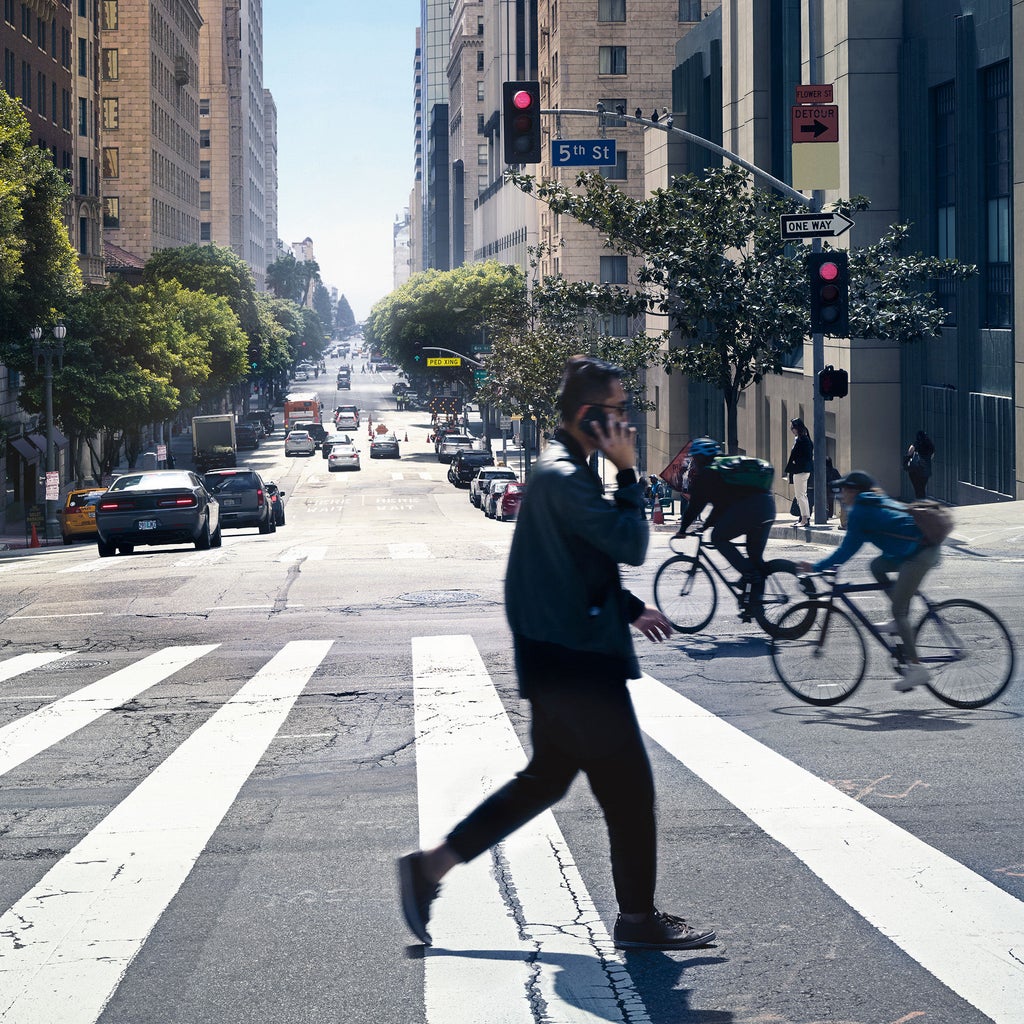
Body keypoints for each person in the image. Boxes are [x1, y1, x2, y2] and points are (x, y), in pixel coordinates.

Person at [398, 355, 716, 952]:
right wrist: (628, 476)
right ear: (591, 416)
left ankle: (430, 868)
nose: (628, 423)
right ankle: (638, 922)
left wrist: (627, 610)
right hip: (578, 667)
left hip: (562, 660)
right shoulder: (568, 477)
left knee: (544, 782)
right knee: (630, 795)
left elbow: (572, 568)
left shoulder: (562, 470)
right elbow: (630, 542)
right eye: (620, 412)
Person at [799, 470, 941, 691]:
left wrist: (816, 567)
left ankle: (916, 668)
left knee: (898, 610)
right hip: (910, 550)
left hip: (919, 554)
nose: (841, 494)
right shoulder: (874, 500)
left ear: (855, 491)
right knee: (876, 566)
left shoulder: (861, 512)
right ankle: (899, 619)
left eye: (845, 489)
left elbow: (847, 550)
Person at [672, 438, 776, 620]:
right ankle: (754, 605)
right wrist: (705, 525)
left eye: (695, 458)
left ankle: (749, 576)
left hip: (751, 510)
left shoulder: (708, 474)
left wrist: (682, 529)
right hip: (767, 506)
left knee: (717, 538)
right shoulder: (725, 469)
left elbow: (695, 505)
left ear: (702, 457)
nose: (694, 462)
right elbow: (721, 506)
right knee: (755, 559)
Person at [785, 418, 813, 527]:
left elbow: (805, 456)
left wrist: (796, 463)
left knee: (801, 496)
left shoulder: (803, 440)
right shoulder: (801, 439)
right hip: (800, 470)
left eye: (792, 428)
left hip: (801, 470)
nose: (792, 430)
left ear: (797, 428)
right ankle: (804, 518)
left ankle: (805, 519)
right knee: (800, 495)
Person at [904, 430, 935, 500]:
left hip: (915, 471)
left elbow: (909, 453)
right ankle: (922, 502)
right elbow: (931, 457)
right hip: (925, 471)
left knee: (917, 488)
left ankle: (920, 503)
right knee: (922, 488)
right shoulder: (930, 446)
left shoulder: (915, 444)